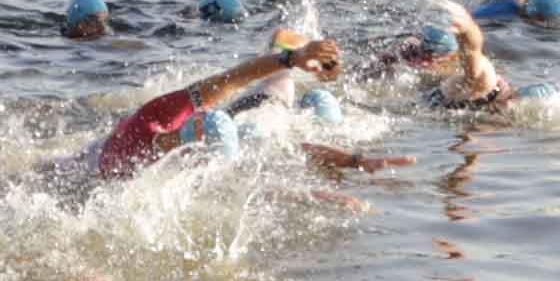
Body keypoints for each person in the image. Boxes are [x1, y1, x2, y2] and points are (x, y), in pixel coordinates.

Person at [93, 39, 401, 178]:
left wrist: (293, 58)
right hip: (111, 160)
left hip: (233, 116)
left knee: (283, 76)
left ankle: (291, 45)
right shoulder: (168, 164)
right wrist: (351, 164)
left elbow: (234, 79)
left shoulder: (163, 114)